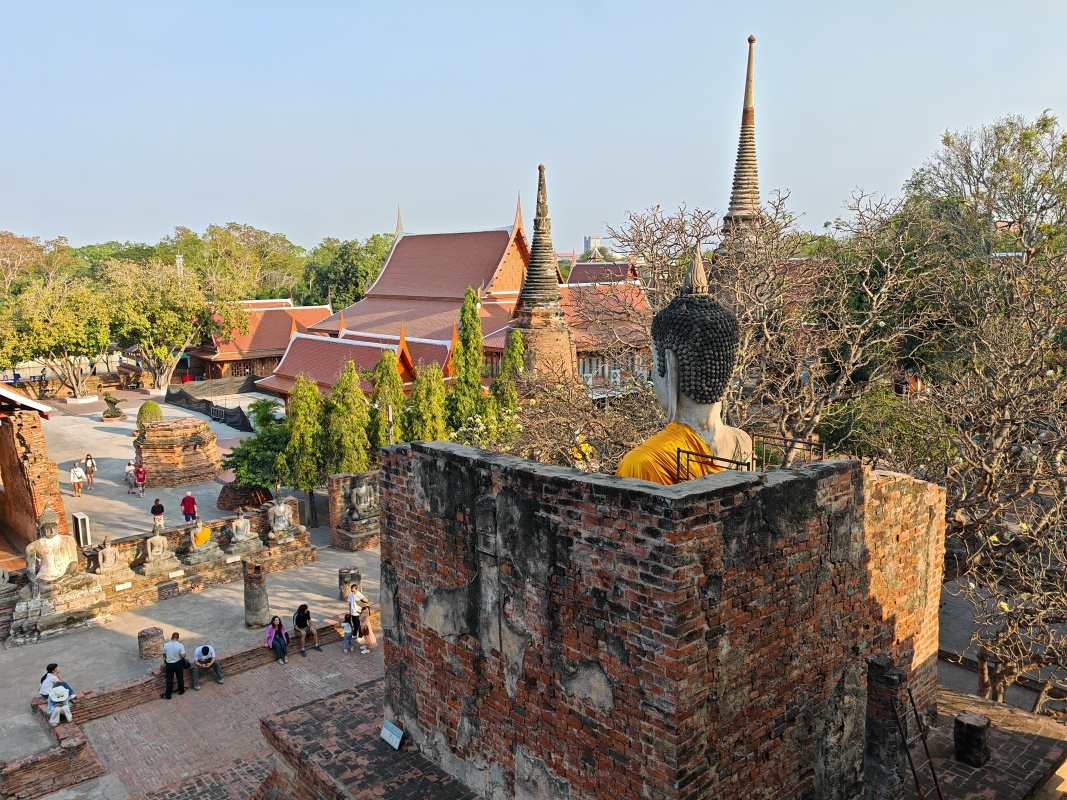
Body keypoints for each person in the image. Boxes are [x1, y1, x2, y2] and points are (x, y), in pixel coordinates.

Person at [161, 632, 187, 699]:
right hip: (178, 664)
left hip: (169, 664)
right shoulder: (180, 645)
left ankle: (168, 695)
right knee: (180, 678)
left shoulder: (166, 645)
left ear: (171, 637)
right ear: (178, 638)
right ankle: (181, 691)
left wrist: (165, 660)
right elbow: (183, 655)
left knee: (169, 680)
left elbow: (164, 654)